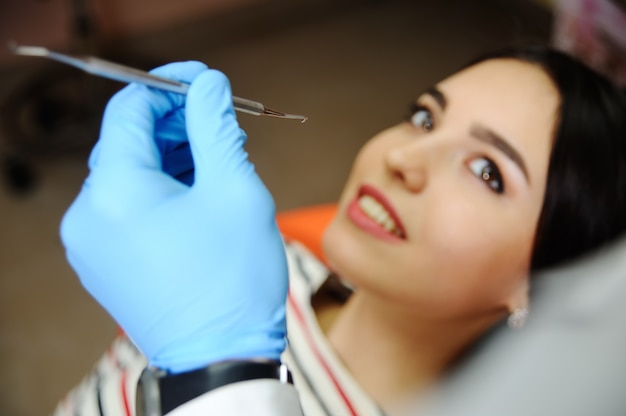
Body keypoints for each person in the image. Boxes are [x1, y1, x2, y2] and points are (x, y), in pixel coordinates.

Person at [54, 44, 626, 415]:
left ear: (552, 288)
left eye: (487, 171)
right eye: (426, 116)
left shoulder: (222, 324)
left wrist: (216, 366)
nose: (407, 155)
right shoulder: (253, 271)